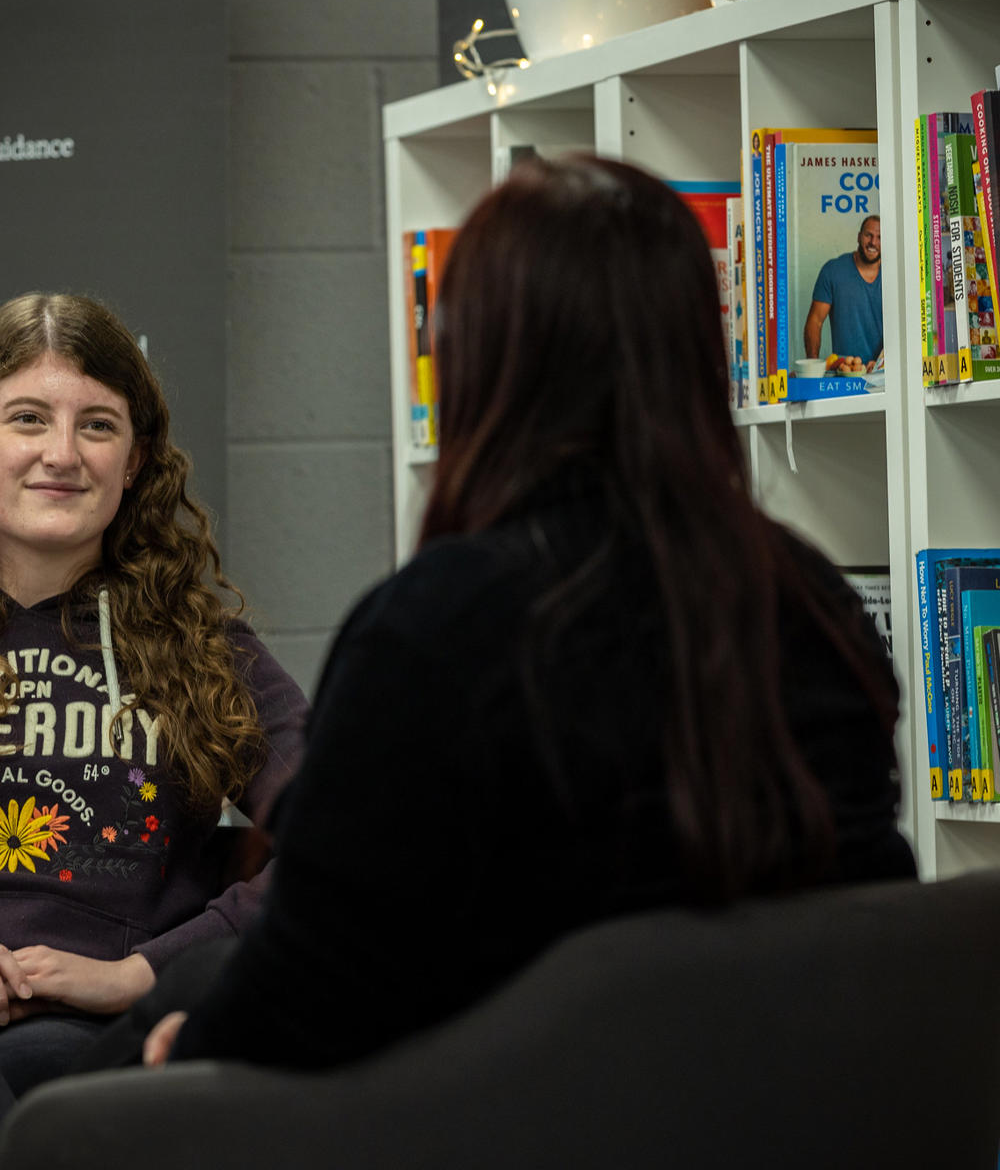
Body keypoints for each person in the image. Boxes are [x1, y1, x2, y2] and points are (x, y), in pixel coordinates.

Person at [123, 156, 915, 1075]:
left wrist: (200, 1051)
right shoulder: (815, 600)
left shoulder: (436, 630)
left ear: (478, 359)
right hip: (796, 1105)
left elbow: (320, 978)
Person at [0, 292, 308, 1105]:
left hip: (98, 1047)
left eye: (97, 424)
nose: (61, 454)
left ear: (134, 460)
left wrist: (139, 974)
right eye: (27, 418)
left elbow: (346, 830)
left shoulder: (204, 650)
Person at [803, 214, 882, 369]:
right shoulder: (833, 271)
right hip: (845, 372)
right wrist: (812, 369)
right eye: (868, 235)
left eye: (880, 237)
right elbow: (815, 321)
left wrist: (883, 362)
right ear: (859, 237)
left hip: (884, 373)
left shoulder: (895, 274)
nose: (873, 242)